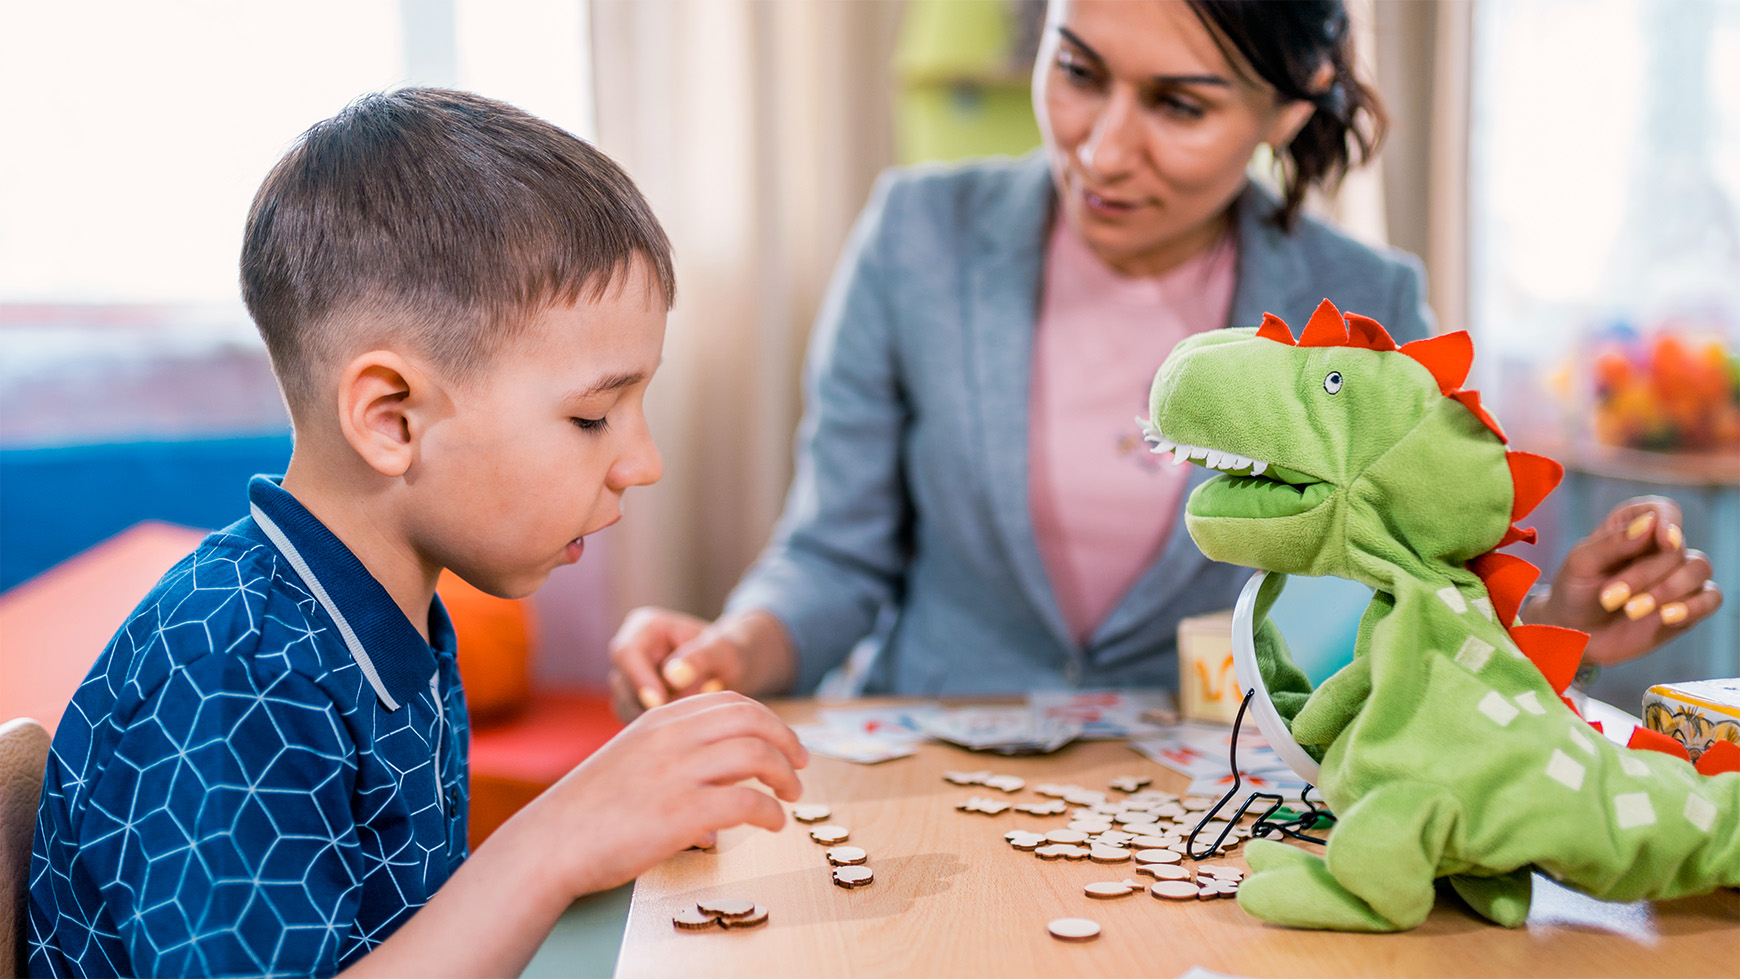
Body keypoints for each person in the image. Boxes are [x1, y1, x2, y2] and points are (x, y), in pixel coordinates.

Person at [608, 0, 1722, 715]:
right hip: (929, 771)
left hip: (1218, 808)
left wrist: (1544, 618)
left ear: (1287, 112)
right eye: (1077, 70)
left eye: (1179, 105)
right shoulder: (916, 238)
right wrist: (733, 649)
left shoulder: (1370, 308)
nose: (1099, 149)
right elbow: (837, 557)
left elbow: (1398, 615)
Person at [28, 89, 808, 978]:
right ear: (392, 419)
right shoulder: (231, 679)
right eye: (594, 416)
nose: (643, 462)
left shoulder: (380, 617)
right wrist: (556, 838)